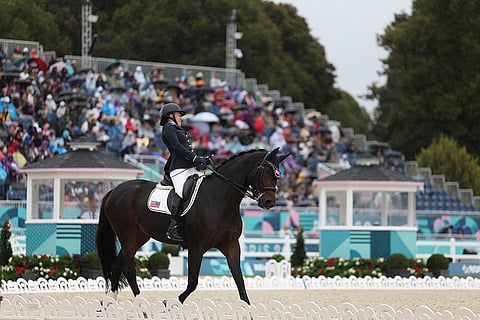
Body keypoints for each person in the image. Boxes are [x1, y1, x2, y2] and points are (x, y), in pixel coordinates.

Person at [160, 103, 208, 242]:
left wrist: (200, 159)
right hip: (179, 169)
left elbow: (186, 150)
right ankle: (173, 226)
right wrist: (194, 158)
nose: (180, 117)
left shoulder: (176, 128)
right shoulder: (168, 128)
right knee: (182, 192)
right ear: (170, 116)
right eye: (178, 114)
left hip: (189, 167)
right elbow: (176, 147)